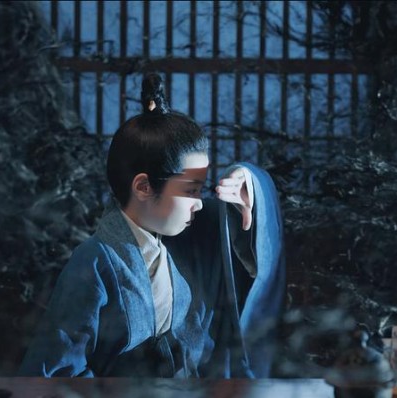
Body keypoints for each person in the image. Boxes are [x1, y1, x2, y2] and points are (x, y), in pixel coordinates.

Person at [18, 73, 285, 378]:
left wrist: (250, 187)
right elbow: (56, 369)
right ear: (144, 187)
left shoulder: (188, 242)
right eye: (191, 191)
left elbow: (250, 251)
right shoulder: (94, 261)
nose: (200, 204)